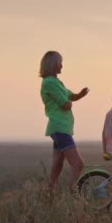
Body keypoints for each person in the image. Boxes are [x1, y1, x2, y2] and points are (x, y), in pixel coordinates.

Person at [39, 50, 89, 193]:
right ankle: (71, 194)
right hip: (60, 128)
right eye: (60, 62)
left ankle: (50, 195)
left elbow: (70, 96)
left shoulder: (56, 82)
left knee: (57, 165)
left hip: (61, 128)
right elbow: (65, 103)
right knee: (78, 165)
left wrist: (79, 95)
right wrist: (69, 102)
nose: (62, 65)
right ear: (53, 64)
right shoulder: (49, 83)